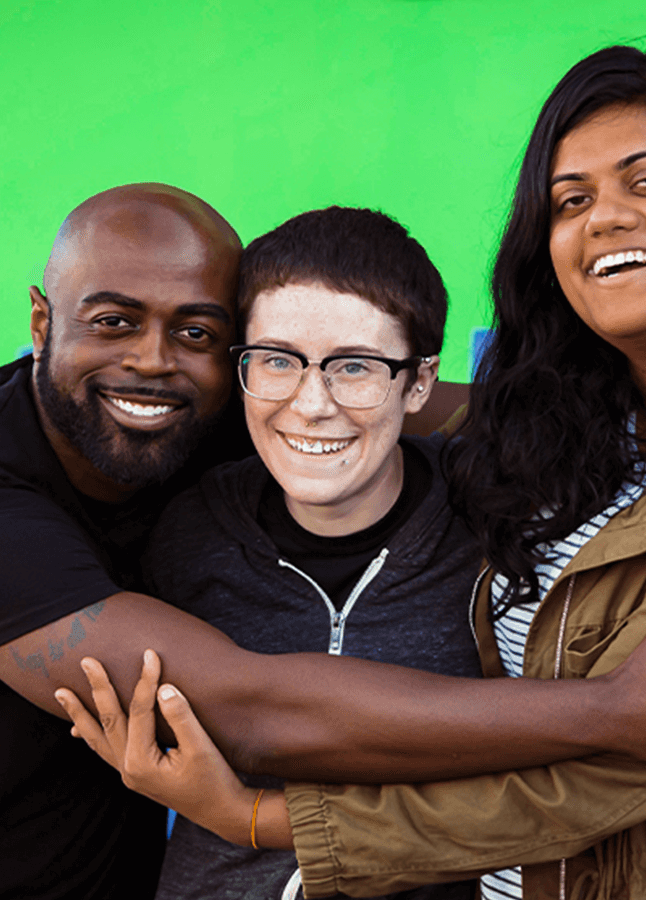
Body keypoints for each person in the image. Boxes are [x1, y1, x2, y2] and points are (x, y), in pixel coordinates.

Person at [61, 45, 646, 900]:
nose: (604, 218)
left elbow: (601, 770)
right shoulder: (564, 442)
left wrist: (254, 817)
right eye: (570, 201)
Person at [0, 182, 646, 899]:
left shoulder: (206, 410)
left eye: (196, 332)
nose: (153, 362)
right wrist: (611, 713)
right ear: (42, 321)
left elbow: (427, 403)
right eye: (113, 320)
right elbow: (252, 712)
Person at [147, 206, 479, 900]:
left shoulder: (491, 527)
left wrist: (251, 815)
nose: (311, 404)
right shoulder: (181, 531)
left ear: (420, 381)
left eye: (354, 366)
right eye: (277, 361)